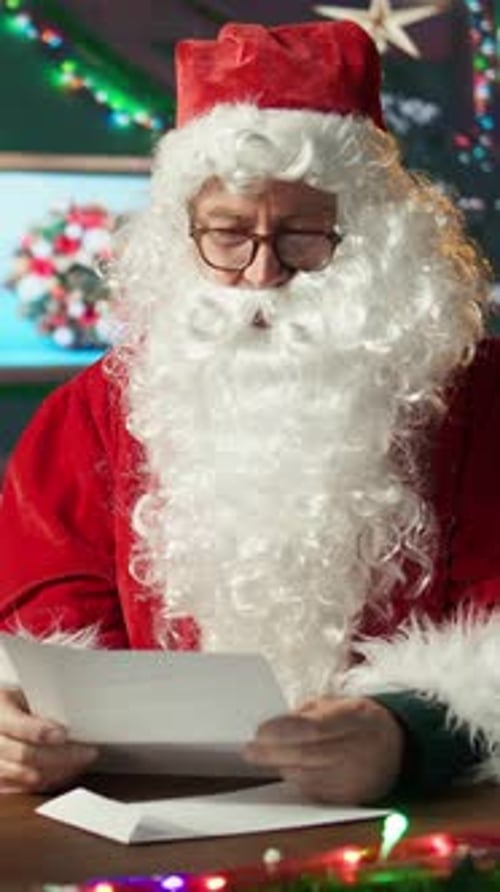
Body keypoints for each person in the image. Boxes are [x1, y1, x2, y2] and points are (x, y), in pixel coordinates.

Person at [0, 20, 499, 800]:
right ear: (184, 233)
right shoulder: (91, 413)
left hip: (430, 833)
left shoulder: (478, 398)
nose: (263, 272)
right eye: (229, 235)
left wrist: (413, 731)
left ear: (370, 236)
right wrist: (18, 724)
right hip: (147, 836)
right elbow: (42, 622)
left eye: (304, 235)